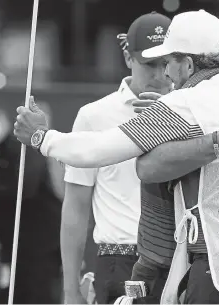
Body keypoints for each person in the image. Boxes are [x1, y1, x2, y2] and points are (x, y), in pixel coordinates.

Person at [14, 9, 219, 304]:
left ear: (189, 63)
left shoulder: (184, 103)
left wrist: (41, 137)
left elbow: (97, 149)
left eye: (169, 62)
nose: (165, 74)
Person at [60, 12, 173, 304]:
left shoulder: (192, 110)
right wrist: (71, 291)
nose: (160, 75)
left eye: (167, 63)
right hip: (119, 261)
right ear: (128, 57)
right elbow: (75, 205)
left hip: (184, 261)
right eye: (149, 64)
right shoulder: (94, 116)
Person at [0, 94, 63, 304]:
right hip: (11, 249)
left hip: (40, 247)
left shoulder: (22, 148)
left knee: (37, 296)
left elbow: (22, 190)